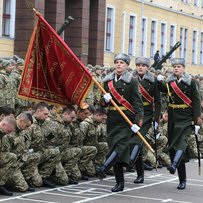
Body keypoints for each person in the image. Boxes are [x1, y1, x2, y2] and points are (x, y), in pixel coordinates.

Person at [96, 53, 143, 192]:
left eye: (122, 62)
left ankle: (104, 167)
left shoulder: (132, 81)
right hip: (113, 119)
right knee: (114, 149)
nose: (118, 64)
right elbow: (102, 104)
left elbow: (138, 104)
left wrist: (137, 123)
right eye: (117, 62)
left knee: (120, 145)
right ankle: (119, 183)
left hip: (126, 119)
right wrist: (105, 99)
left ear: (127, 65)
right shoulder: (107, 81)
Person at [157, 58, 202, 189]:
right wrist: (160, 81)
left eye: (179, 66)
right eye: (175, 67)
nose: (176, 69)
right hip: (173, 117)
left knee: (182, 141)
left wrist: (197, 120)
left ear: (183, 68)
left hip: (187, 117)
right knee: (174, 147)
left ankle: (174, 165)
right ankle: (182, 178)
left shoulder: (192, 82)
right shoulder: (170, 82)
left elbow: (196, 101)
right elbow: (163, 90)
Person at [129, 56, 161, 183]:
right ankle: (140, 174)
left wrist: (156, 119)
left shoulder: (153, 81)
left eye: (143, 65)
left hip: (146, 115)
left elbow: (158, 102)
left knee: (137, 140)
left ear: (147, 67)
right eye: (138, 65)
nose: (140, 67)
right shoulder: (130, 79)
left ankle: (131, 161)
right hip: (132, 113)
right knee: (134, 143)